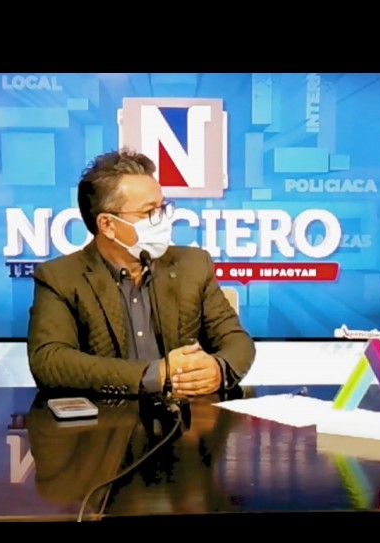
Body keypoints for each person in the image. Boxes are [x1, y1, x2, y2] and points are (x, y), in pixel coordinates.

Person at [27, 148, 256, 399]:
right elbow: (49, 361)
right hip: (107, 419)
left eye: (162, 208)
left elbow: (236, 341)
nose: (161, 220)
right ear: (107, 225)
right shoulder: (60, 277)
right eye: (148, 213)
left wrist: (218, 369)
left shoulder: (192, 265)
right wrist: (154, 374)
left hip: (186, 417)